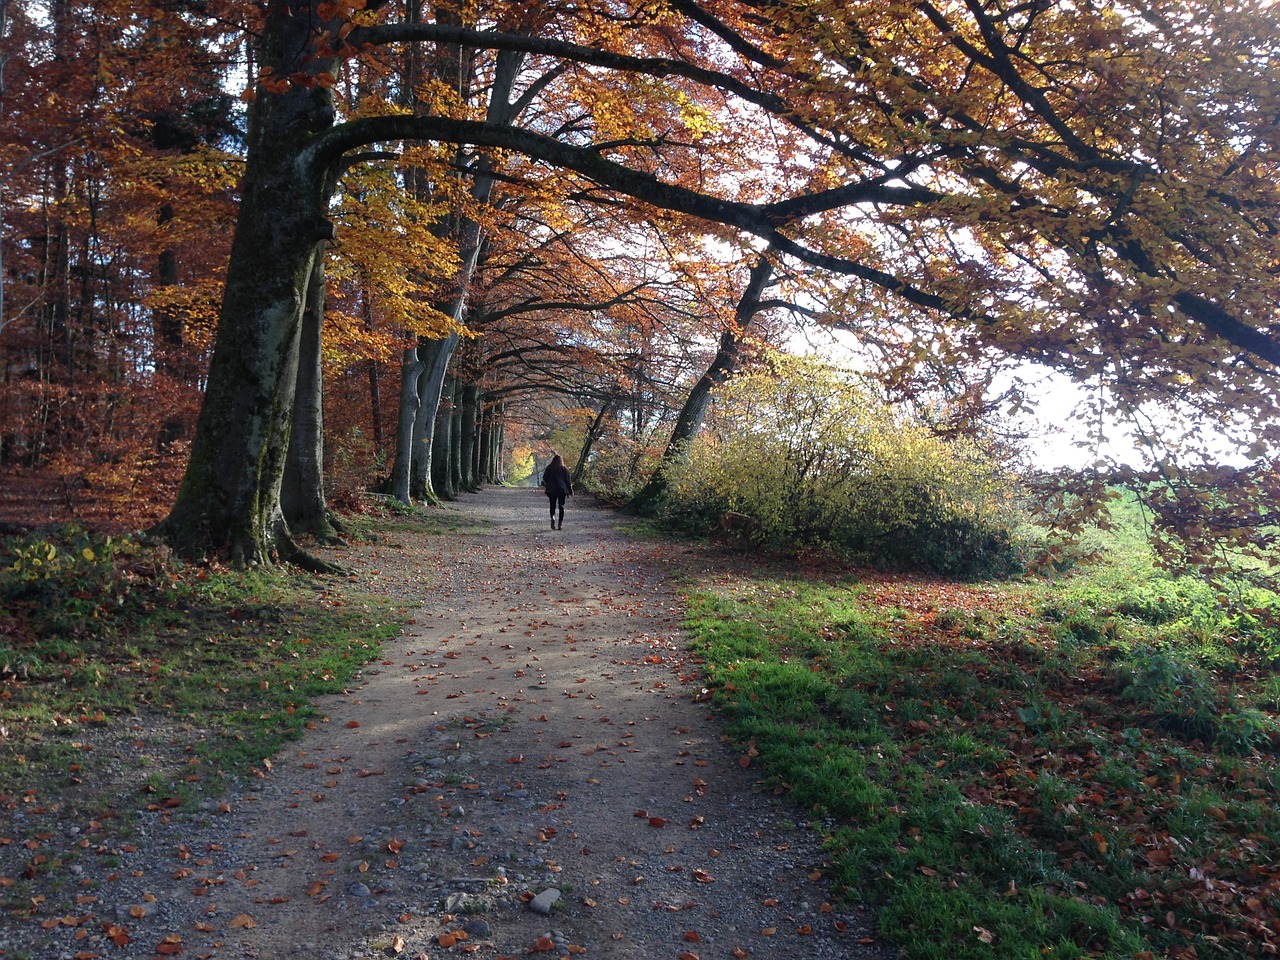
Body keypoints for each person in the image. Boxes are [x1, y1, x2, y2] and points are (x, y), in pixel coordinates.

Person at [542, 454, 573, 530]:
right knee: (561, 506)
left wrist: (548, 484)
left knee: (552, 505)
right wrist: (570, 491)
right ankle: (560, 523)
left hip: (551, 489)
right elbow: (568, 481)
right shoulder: (564, 468)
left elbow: (544, 478)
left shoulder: (549, 468)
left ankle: (553, 518)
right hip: (561, 490)